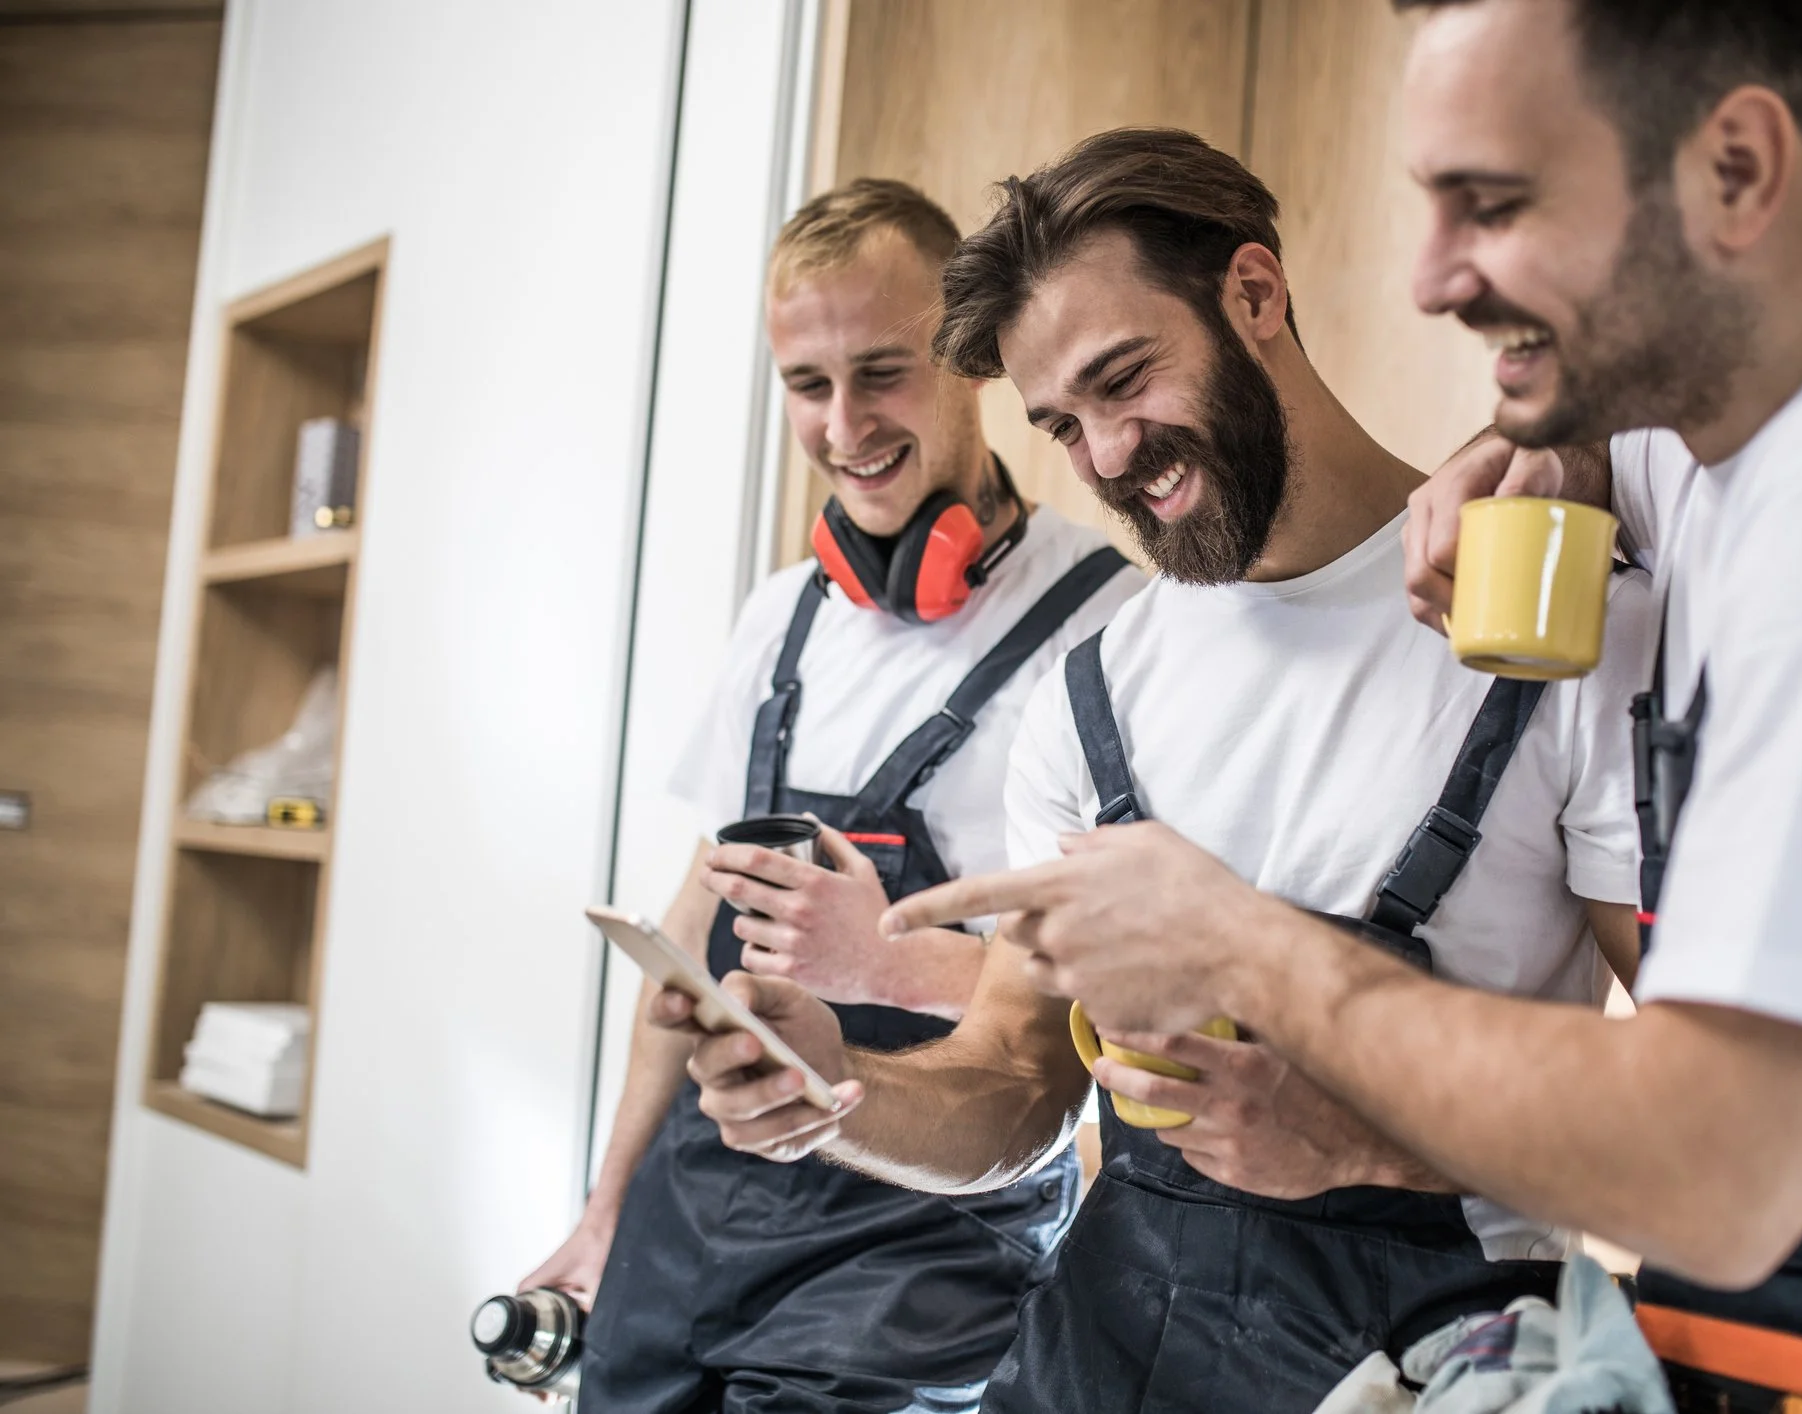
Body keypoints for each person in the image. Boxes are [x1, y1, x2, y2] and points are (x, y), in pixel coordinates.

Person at [882, 4, 1802, 1411]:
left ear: (1736, 170)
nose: (1426, 280)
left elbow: (1716, 1161)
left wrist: (1235, 942)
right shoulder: (1735, 470)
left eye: (1496, 203)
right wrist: (1547, 428)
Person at [662, 128, 1654, 1414]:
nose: (1110, 456)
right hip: (1099, 1359)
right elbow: (1017, 1077)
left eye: (1126, 379)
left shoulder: (1551, 627)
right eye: (1064, 425)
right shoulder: (1094, 693)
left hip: (1428, 1367)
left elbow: (1717, 1122)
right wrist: (837, 1093)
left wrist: (1375, 1142)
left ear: (1254, 293)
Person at [518, 178, 1142, 1414]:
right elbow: (690, 937)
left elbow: (1101, 1025)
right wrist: (605, 1212)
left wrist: (890, 960)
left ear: (969, 359)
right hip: (693, 1217)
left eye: (882, 372)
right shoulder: (780, 616)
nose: (844, 423)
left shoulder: (1113, 631)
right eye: (809, 385)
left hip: (921, 1245)